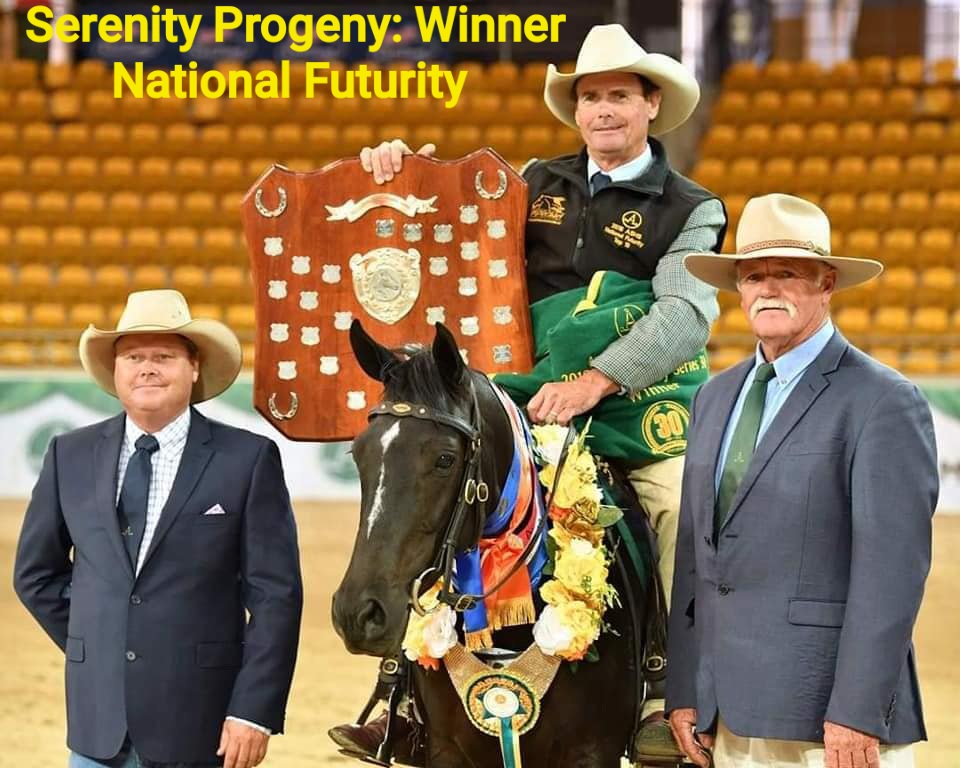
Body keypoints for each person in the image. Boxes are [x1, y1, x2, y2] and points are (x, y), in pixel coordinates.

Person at [332, 22, 727, 764]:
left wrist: (595, 381)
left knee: (678, 507)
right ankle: (403, 694)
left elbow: (683, 314)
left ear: (650, 105)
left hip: (640, 405)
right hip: (523, 399)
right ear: (576, 110)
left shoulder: (692, 206)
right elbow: (448, 221)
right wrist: (397, 172)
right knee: (442, 491)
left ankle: (665, 690)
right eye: (590, 97)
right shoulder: (532, 182)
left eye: (619, 95)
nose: (603, 110)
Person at [665, 193, 938, 768]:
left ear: (826, 284)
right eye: (753, 276)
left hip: (828, 725)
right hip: (726, 716)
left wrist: (858, 711)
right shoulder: (713, 397)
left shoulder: (883, 401)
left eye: (787, 274)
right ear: (738, 290)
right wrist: (685, 689)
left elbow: (891, 575)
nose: (768, 289)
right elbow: (695, 560)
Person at [14, 290, 304, 768]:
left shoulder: (248, 459)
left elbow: (277, 596)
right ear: (116, 371)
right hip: (97, 728)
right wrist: (108, 642)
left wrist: (253, 711)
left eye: (164, 357)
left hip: (203, 724)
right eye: (133, 357)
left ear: (194, 367)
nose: (147, 368)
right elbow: (35, 575)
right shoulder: (69, 454)